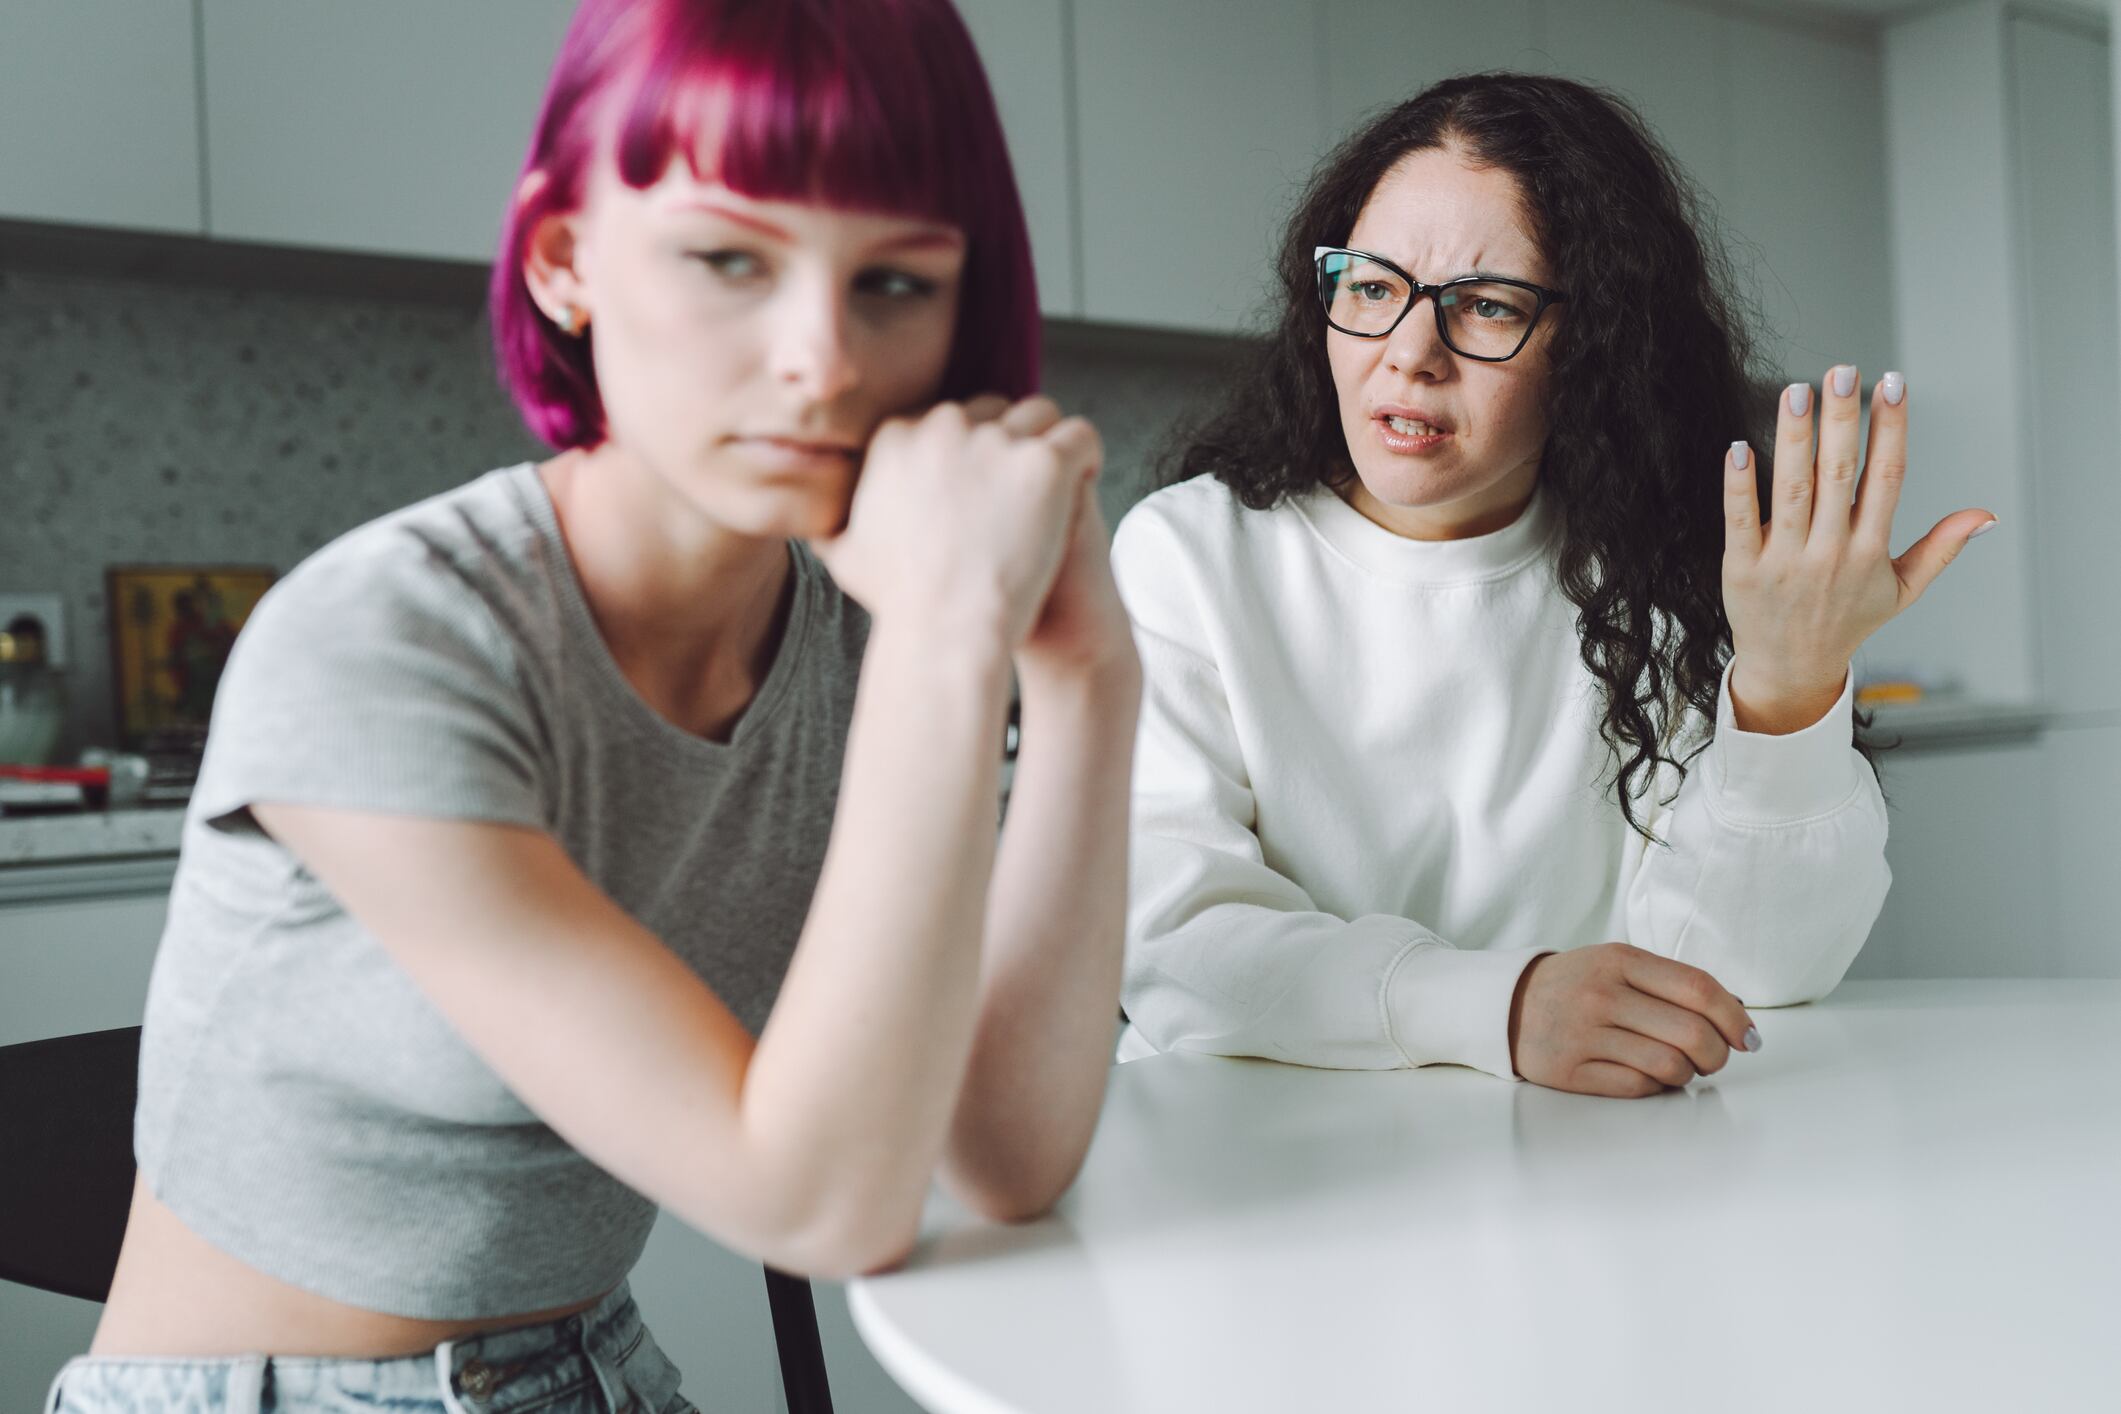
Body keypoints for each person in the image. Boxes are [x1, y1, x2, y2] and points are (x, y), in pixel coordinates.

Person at [50, 1, 1139, 1409]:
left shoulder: (866, 629)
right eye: (728, 258)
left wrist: (1088, 675)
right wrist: (950, 639)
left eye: (894, 283)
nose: (824, 358)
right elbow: (823, 1209)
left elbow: (1005, 1155)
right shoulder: (386, 636)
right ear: (566, 259)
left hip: (596, 1369)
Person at [1111, 73, 1991, 1098]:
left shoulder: (1660, 569)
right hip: (1250, 1170)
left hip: (1585, 1171)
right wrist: (1506, 1005)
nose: (1408, 353)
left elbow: (1751, 978)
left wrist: (1790, 691)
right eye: (1370, 286)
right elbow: (1173, 937)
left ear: (1596, 349)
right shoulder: (1189, 554)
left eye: (1486, 306)